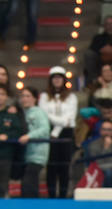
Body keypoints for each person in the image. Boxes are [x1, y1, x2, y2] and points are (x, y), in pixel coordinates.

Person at [39, 67, 79, 198]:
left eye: (59, 77)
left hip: (66, 134)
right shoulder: (44, 96)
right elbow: (44, 114)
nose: (57, 80)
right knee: (51, 166)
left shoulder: (71, 97)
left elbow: (70, 118)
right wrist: (57, 126)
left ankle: (63, 194)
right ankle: (51, 195)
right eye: (54, 78)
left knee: (64, 166)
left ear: (64, 79)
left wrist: (56, 131)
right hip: (49, 132)